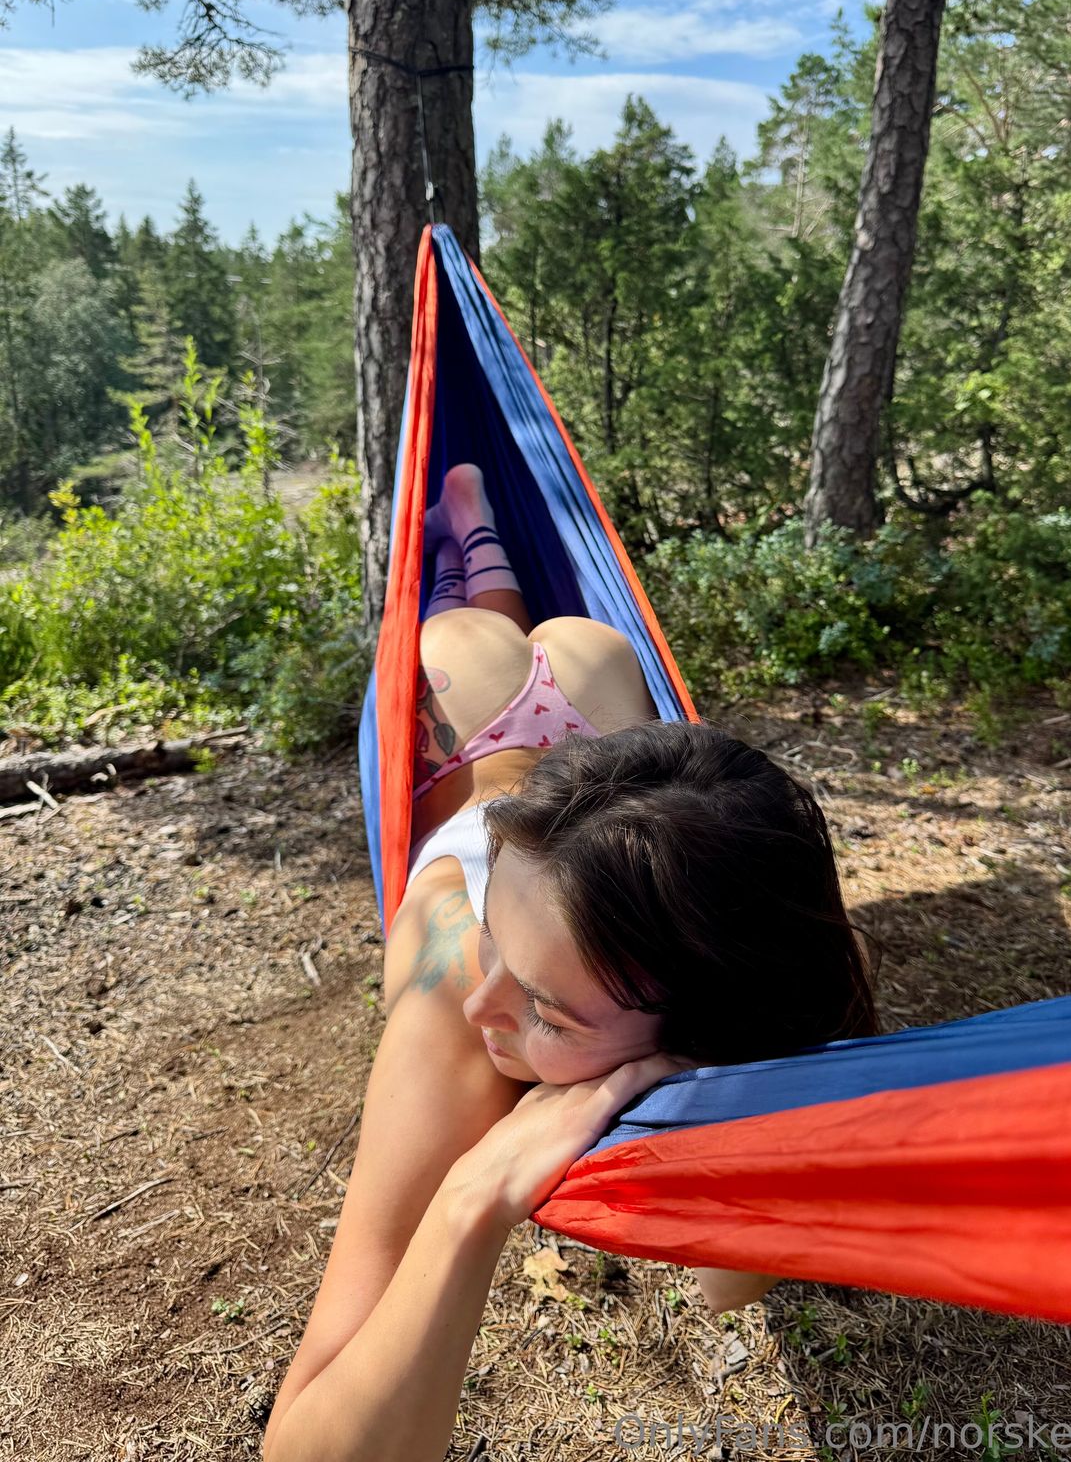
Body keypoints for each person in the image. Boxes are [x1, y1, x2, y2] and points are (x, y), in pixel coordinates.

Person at [262, 464, 879, 1462]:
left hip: (606, 733)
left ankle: (474, 531)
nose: (485, 1007)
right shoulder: (453, 996)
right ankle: (466, 527)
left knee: (490, 636)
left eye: (549, 1010)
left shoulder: (753, 955)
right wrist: (469, 1200)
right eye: (498, 947)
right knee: (460, 627)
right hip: (531, 765)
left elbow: (732, 1284)